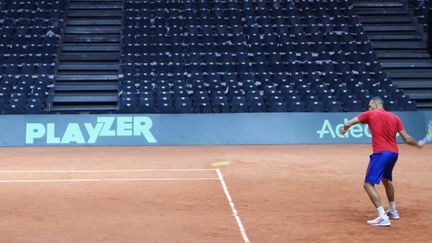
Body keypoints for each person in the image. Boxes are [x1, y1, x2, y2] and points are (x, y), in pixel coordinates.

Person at [340, 96, 424, 227]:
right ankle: (393, 210)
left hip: (381, 154)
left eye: (369, 105)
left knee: (368, 184)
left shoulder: (370, 114)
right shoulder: (395, 117)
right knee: (386, 180)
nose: (368, 108)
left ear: (374, 104)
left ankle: (382, 216)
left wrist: (344, 129)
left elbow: (348, 123)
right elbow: (407, 139)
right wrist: (418, 143)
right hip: (394, 154)